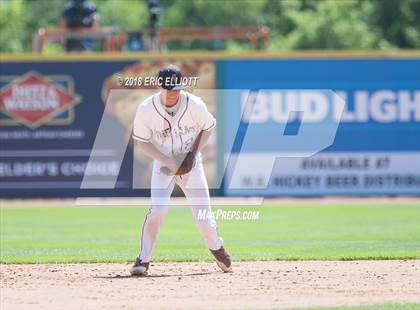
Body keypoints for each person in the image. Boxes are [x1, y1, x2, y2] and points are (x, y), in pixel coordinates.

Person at [130, 64, 232, 276]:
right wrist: (167, 160)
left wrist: (192, 155)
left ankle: (216, 247)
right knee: (157, 210)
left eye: (177, 88)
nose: (174, 93)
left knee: (204, 218)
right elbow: (142, 141)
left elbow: (208, 127)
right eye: (170, 88)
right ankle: (143, 259)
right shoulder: (146, 108)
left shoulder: (194, 104)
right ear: (159, 85)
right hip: (163, 166)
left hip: (192, 166)